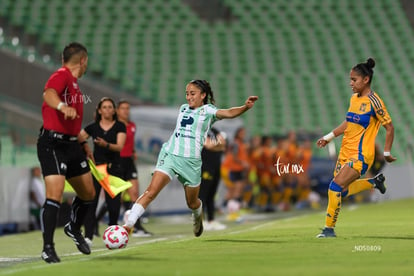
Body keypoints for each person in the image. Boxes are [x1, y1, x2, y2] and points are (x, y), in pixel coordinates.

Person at [123, 79, 258, 237]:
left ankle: (197, 215)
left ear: (203, 95)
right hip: (170, 155)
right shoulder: (183, 108)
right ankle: (128, 225)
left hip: (191, 163)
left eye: (192, 93)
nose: (188, 97)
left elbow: (228, 113)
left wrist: (245, 107)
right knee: (150, 192)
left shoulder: (208, 111)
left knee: (193, 203)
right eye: (187, 93)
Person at [316, 58, 396, 238]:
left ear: (366, 80)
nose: (350, 83)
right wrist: (329, 137)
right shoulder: (354, 99)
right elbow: (348, 122)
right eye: (350, 79)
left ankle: (329, 230)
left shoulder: (375, 102)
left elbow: (389, 127)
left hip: (361, 156)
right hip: (345, 152)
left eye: (354, 80)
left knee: (334, 187)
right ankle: (374, 182)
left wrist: (386, 153)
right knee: (342, 191)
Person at [36, 42, 96, 263]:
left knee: (88, 193)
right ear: (83, 60)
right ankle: (47, 248)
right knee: (55, 194)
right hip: (52, 145)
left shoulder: (75, 84)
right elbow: (49, 93)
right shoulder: (61, 75)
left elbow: (69, 122)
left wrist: (82, 143)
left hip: (72, 145)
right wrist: (61, 106)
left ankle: (72, 227)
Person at [78, 97, 126, 245]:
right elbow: (79, 137)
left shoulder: (120, 126)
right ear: (99, 110)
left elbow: (119, 146)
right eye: (104, 107)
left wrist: (105, 145)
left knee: (113, 205)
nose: (107, 109)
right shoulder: (93, 127)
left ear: (114, 110)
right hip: (97, 169)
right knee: (91, 202)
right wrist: (85, 148)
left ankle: (113, 234)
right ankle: (88, 236)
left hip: (114, 168)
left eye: (110, 107)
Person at [116, 99, 152, 237]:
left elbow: (129, 143)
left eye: (127, 108)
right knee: (115, 197)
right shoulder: (115, 125)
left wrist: (133, 151)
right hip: (118, 162)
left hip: (129, 162)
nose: (126, 111)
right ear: (117, 111)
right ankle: (95, 223)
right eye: (123, 108)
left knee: (134, 194)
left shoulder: (132, 125)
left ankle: (136, 227)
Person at [199, 127, 227, 231]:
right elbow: (208, 145)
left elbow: (223, 145)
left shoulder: (215, 130)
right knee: (202, 195)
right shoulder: (201, 129)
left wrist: (215, 145)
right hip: (205, 167)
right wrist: (217, 144)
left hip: (216, 167)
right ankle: (201, 221)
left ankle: (211, 220)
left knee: (212, 195)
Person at [29, 166, 45, 230]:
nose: (39, 172)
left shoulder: (39, 181)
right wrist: (37, 203)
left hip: (41, 204)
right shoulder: (33, 181)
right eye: (37, 171)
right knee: (38, 220)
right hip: (37, 206)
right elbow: (32, 194)